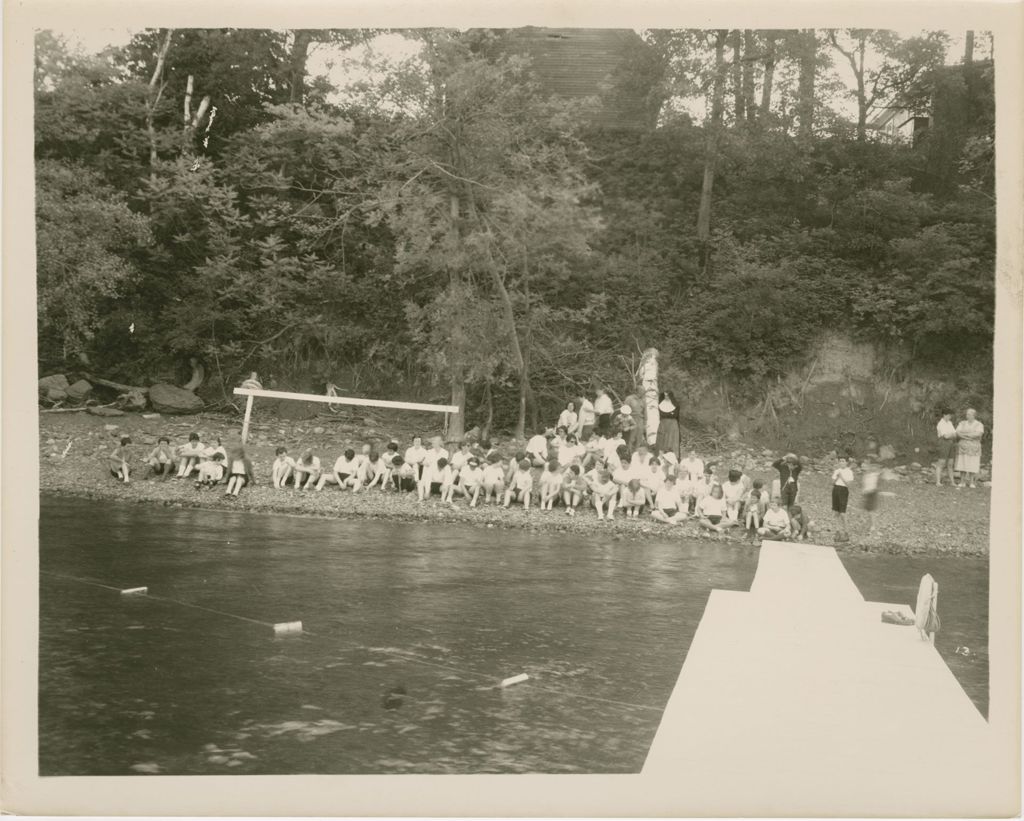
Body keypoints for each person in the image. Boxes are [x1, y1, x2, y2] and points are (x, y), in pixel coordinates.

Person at [954, 408, 984, 489]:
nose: (967, 416)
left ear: (974, 415)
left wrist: (965, 434)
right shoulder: (962, 423)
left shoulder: (979, 424)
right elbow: (957, 432)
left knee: (972, 464)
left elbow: (978, 434)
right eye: (967, 414)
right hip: (963, 447)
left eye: (969, 414)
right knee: (962, 463)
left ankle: (971, 482)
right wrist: (969, 435)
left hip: (974, 447)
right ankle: (962, 482)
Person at [831, 455, 855, 542]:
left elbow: (849, 485)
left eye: (843, 461)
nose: (841, 462)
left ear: (846, 462)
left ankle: (846, 532)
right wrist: (837, 476)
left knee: (842, 513)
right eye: (840, 461)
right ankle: (838, 532)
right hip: (836, 489)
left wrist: (841, 477)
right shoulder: (837, 471)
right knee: (836, 512)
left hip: (843, 490)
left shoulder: (849, 472)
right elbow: (832, 482)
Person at [934, 409, 958, 487]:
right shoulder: (940, 424)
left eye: (950, 415)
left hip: (951, 443)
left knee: (950, 463)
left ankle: (952, 482)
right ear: (944, 415)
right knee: (941, 462)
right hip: (943, 443)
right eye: (948, 415)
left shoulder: (950, 423)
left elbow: (955, 435)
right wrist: (951, 434)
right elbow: (946, 436)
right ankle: (938, 482)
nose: (950, 417)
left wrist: (951, 434)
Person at [655, 391, 681, 461]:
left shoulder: (676, 404)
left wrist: (668, 414)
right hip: (663, 424)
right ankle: (660, 458)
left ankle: (672, 459)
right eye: (665, 395)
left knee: (671, 441)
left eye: (668, 396)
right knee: (661, 442)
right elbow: (661, 414)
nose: (666, 397)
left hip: (672, 425)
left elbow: (675, 415)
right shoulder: (660, 404)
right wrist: (669, 414)